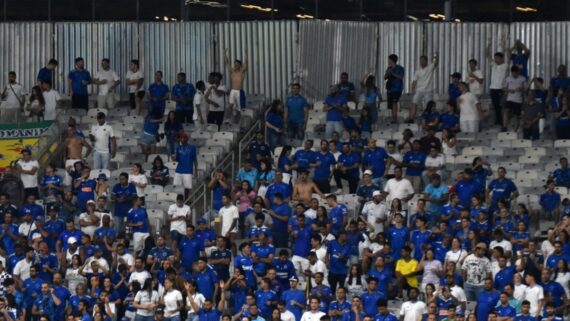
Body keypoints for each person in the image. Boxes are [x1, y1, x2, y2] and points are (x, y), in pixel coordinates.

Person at [409, 53, 439, 122]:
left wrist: (436, 56)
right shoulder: (418, 71)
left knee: (428, 105)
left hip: (428, 90)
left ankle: (427, 119)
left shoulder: (430, 67)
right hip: (419, 90)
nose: (422, 62)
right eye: (420, 60)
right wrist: (413, 88)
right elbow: (414, 81)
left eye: (423, 60)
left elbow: (436, 63)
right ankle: (411, 118)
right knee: (414, 102)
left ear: (426, 61)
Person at [487, 39, 509, 125]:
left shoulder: (505, 66)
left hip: (500, 89)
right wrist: (489, 45)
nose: (495, 59)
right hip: (493, 88)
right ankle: (498, 120)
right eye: (495, 58)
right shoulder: (494, 65)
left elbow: (509, 55)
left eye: (497, 58)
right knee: (495, 106)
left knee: (501, 106)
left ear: (501, 59)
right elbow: (487, 55)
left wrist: (504, 46)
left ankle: (502, 121)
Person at [224, 48, 248, 123]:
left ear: (240, 66)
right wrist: (224, 54)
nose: (235, 66)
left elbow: (245, 64)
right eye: (234, 64)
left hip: (239, 92)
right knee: (230, 105)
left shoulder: (242, 72)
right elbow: (226, 62)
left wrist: (246, 54)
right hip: (233, 91)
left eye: (237, 64)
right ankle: (227, 119)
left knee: (238, 110)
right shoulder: (232, 71)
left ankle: (236, 122)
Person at [503, 66, 527, 132]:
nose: (514, 74)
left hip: (518, 100)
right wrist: (509, 90)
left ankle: (515, 130)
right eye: (513, 73)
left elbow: (525, 89)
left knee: (516, 115)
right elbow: (504, 88)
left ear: (518, 72)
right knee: (506, 111)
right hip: (509, 99)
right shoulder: (508, 78)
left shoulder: (522, 78)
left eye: (515, 73)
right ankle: (505, 127)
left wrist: (521, 88)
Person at [384, 54, 405, 124]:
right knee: (390, 105)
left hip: (397, 89)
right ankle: (392, 118)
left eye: (389, 60)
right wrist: (387, 73)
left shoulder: (400, 68)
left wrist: (392, 73)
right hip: (390, 89)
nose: (388, 61)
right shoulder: (389, 68)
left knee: (394, 102)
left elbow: (401, 77)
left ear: (393, 60)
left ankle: (394, 119)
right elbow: (385, 77)